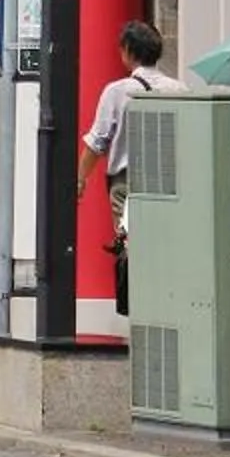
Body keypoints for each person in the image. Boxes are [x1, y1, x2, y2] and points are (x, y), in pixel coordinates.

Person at [75, 20, 182, 272]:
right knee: (165, 245)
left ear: (128, 51)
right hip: (169, 183)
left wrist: (80, 179)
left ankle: (136, 300)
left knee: (132, 247)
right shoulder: (179, 89)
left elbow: (97, 142)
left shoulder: (117, 91)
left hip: (127, 184)